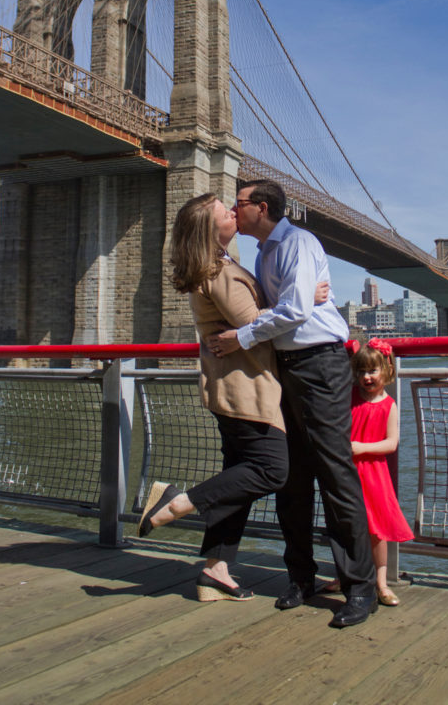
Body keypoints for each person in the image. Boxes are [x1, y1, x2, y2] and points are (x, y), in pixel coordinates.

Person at [209, 179, 377, 628]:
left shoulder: (299, 242)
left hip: (320, 365)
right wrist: (294, 304)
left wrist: (241, 336)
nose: (233, 208)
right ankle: (300, 577)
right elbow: (287, 305)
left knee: (335, 474)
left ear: (260, 208)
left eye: (238, 203)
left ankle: (359, 589)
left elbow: (296, 309)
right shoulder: (264, 253)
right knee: (293, 478)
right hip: (286, 368)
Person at [137, 192, 289, 603]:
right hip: (246, 389)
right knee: (273, 470)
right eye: (226, 210)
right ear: (210, 227)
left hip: (230, 386)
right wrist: (304, 298)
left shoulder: (210, 267)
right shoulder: (219, 271)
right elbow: (255, 324)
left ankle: (215, 571)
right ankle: (176, 502)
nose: (233, 211)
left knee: (236, 481)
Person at [327, 339, 413, 605]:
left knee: (376, 531)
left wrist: (361, 447)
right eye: (362, 371)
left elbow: (391, 443)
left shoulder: (389, 406)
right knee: (347, 526)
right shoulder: (350, 396)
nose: (366, 377)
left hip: (373, 473)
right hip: (347, 471)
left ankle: (381, 583)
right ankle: (345, 575)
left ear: (386, 371)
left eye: (372, 371)